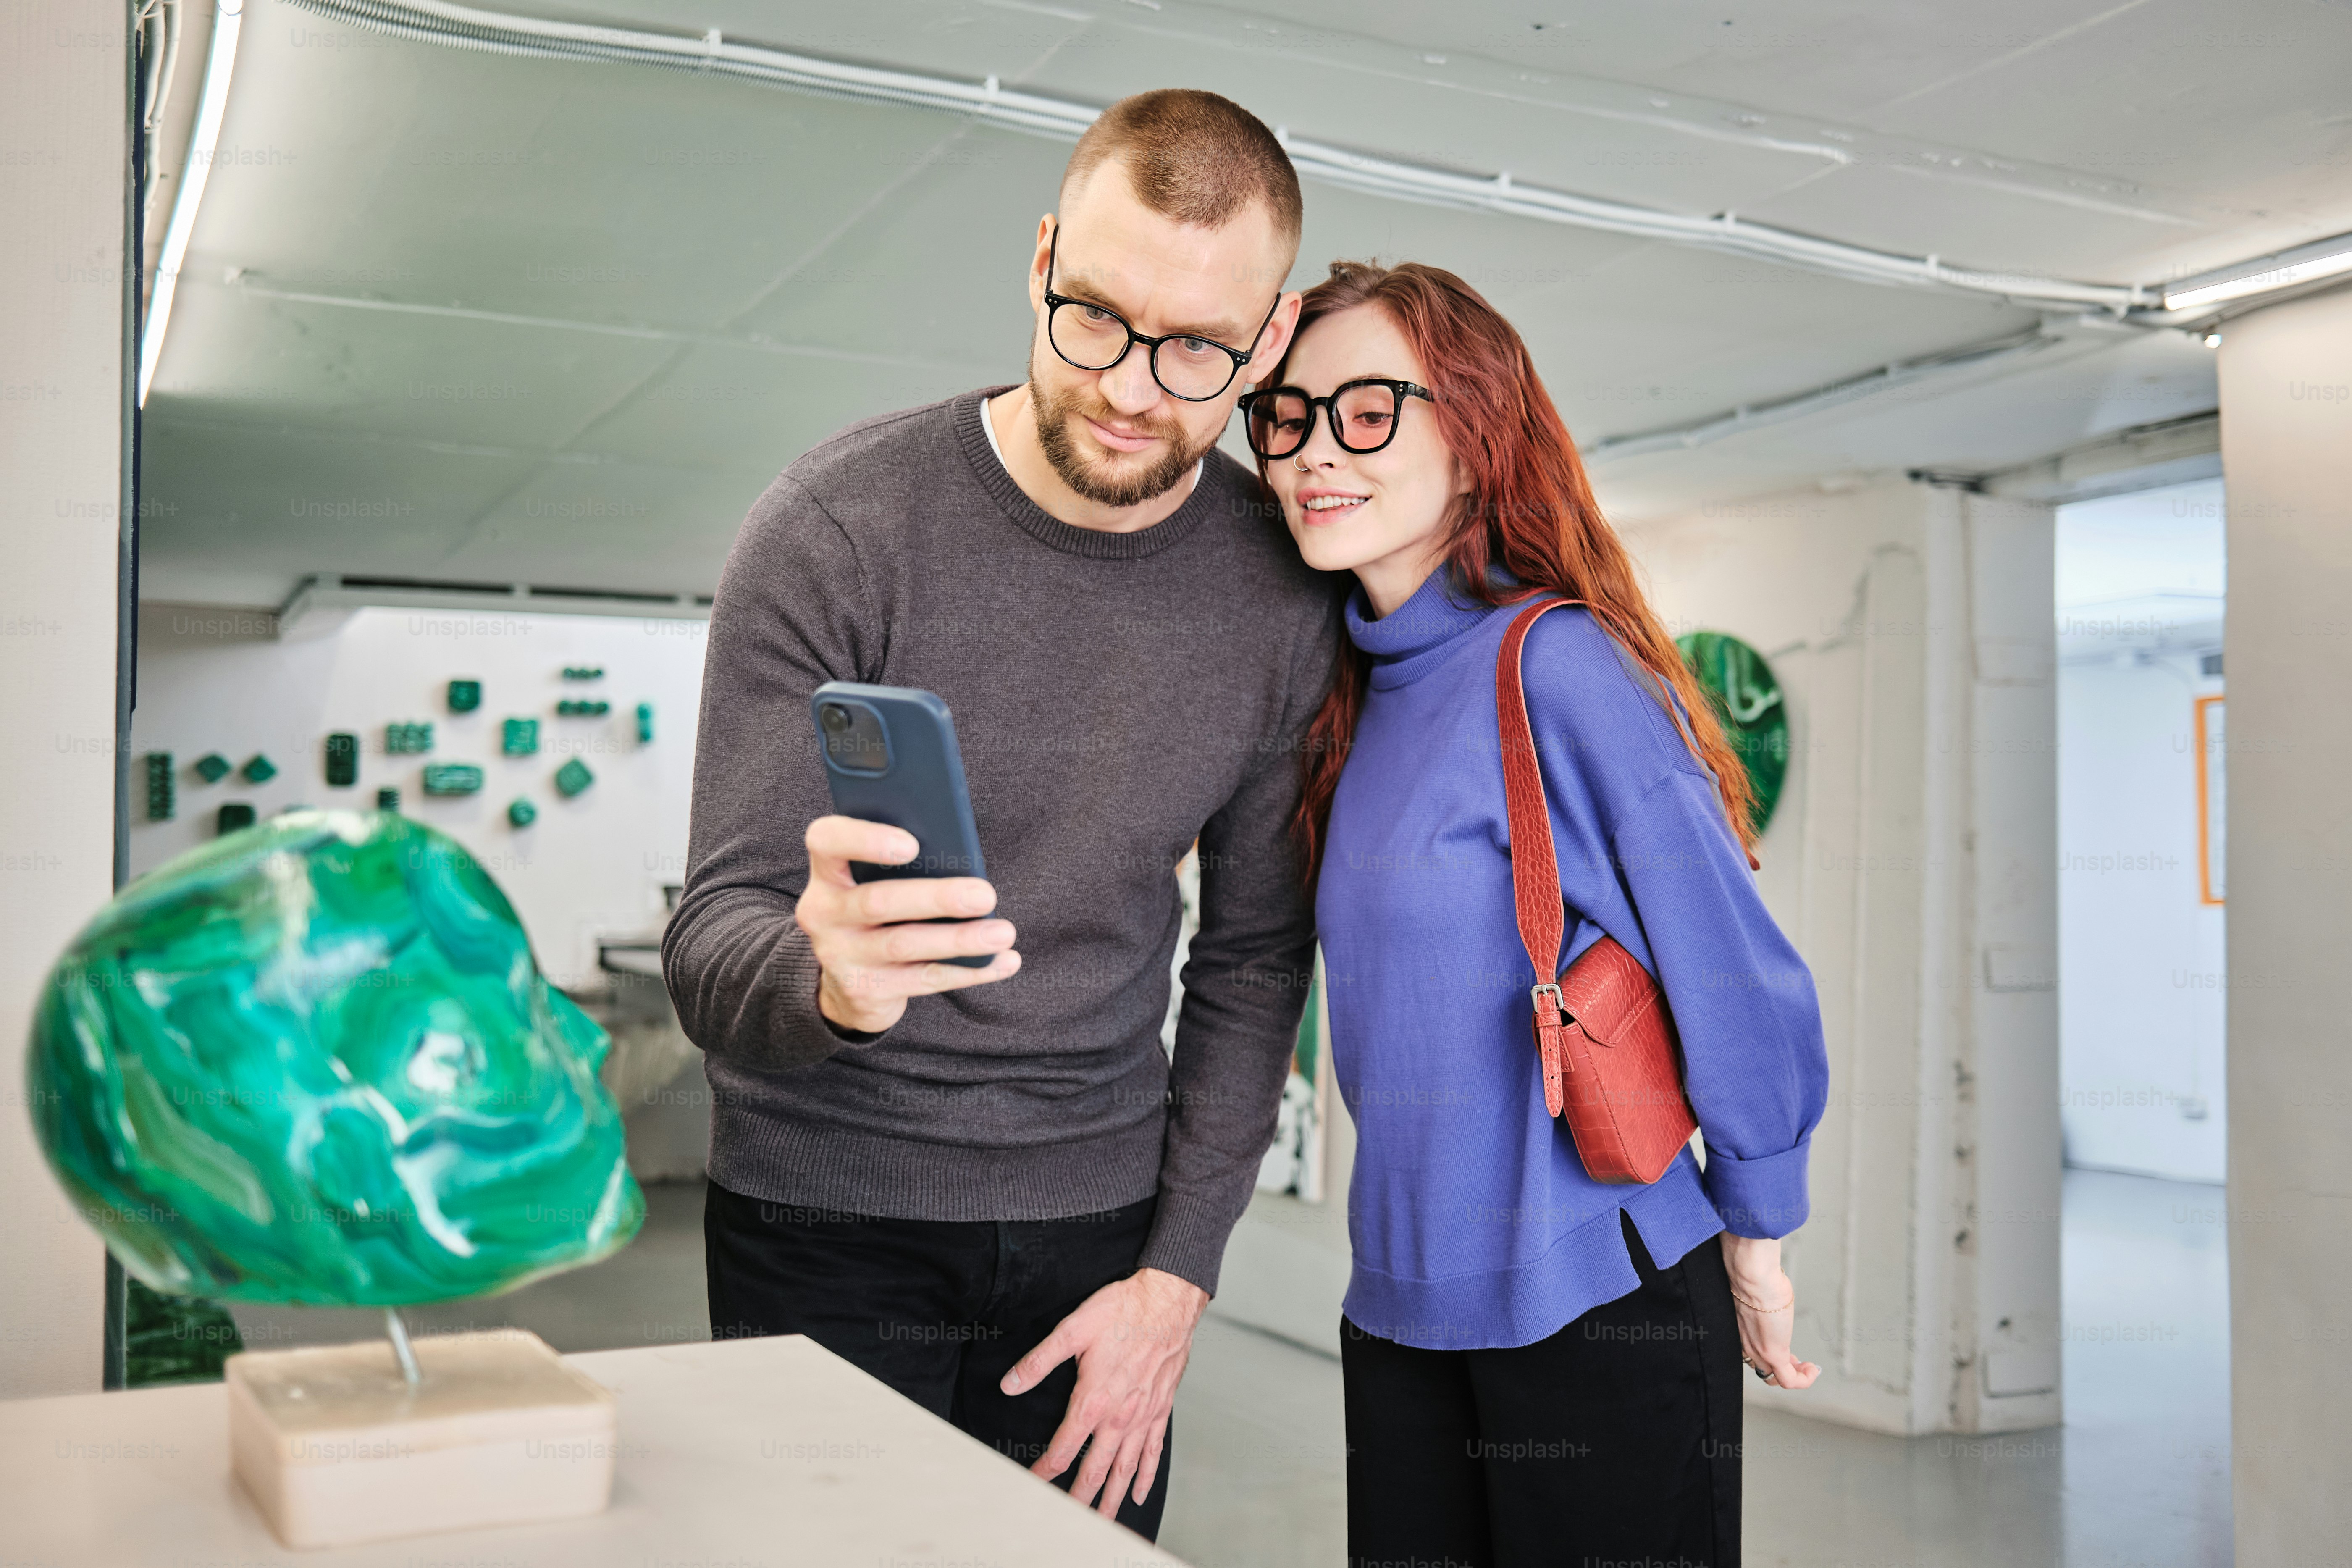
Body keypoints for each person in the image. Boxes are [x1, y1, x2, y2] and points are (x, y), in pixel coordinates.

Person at [661, 89, 1338, 1541]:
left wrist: (1179, 1279)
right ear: (1038, 260)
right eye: (1094, 315)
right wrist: (827, 980)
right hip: (819, 1223)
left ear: (1269, 340)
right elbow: (711, 942)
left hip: (1101, 1238)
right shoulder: (838, 530)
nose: (1137, 389)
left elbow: (1255, 959)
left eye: (1201, 348)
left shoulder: (1281, 597)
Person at [1242, 260, 1830, 1568]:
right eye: (1288, 414)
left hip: (1595, 1298)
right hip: (1398, 1305)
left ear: (1472, 436)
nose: (1313, 450)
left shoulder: (1556, 664)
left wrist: (1760, 1230)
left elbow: (1732, 965)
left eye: (1368, 409)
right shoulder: (1350, 699)